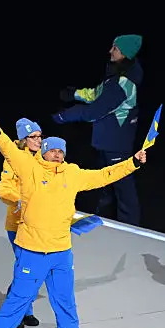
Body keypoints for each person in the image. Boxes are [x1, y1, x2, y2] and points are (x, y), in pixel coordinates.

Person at [0, 115, 146, 328]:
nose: (58, 154)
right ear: (44, 152)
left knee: (66, 305)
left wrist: (133, 163)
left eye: (62, 151)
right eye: (53, 150)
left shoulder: (72, 173)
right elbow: (10, 151)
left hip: (61, 253)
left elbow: (104, 175)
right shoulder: (30, 168)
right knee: (18, 300)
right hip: (32, 251)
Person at [52, 34, 144, 225]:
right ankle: (105, 219)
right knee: (105, 181)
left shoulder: (122, 83)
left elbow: (94, 112)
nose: (110, 51)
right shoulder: (118, 73)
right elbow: (98, 93)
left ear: (125, 54)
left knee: (123, 186)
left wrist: (64, 116)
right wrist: (75, 94)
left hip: (116, 143)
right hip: (107, 140)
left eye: (115, 49)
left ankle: (132, 229)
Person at [0, 118, 46, 328]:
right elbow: (4, 189)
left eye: (39, 136)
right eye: (33, 137)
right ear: (23, 140)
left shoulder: (45, 159)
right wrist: (19, 200)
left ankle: (26, 311)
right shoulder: (13, 160)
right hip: (17, 224)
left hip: (38, 225)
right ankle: (16, 313)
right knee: (26, 270)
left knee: (31, 270)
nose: (38, 140)